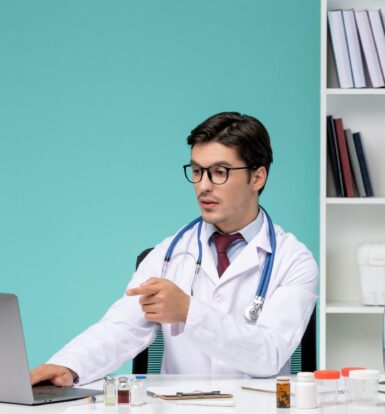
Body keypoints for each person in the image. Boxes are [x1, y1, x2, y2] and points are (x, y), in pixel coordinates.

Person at [30, 111, 318, 387]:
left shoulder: (293, 261)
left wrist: (188, 312)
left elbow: (270, 354)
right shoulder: (169, 254)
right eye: (196, 171)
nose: (203, 186)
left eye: (219, 172)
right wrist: (68, 365)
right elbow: (121, 327)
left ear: (257, 178)